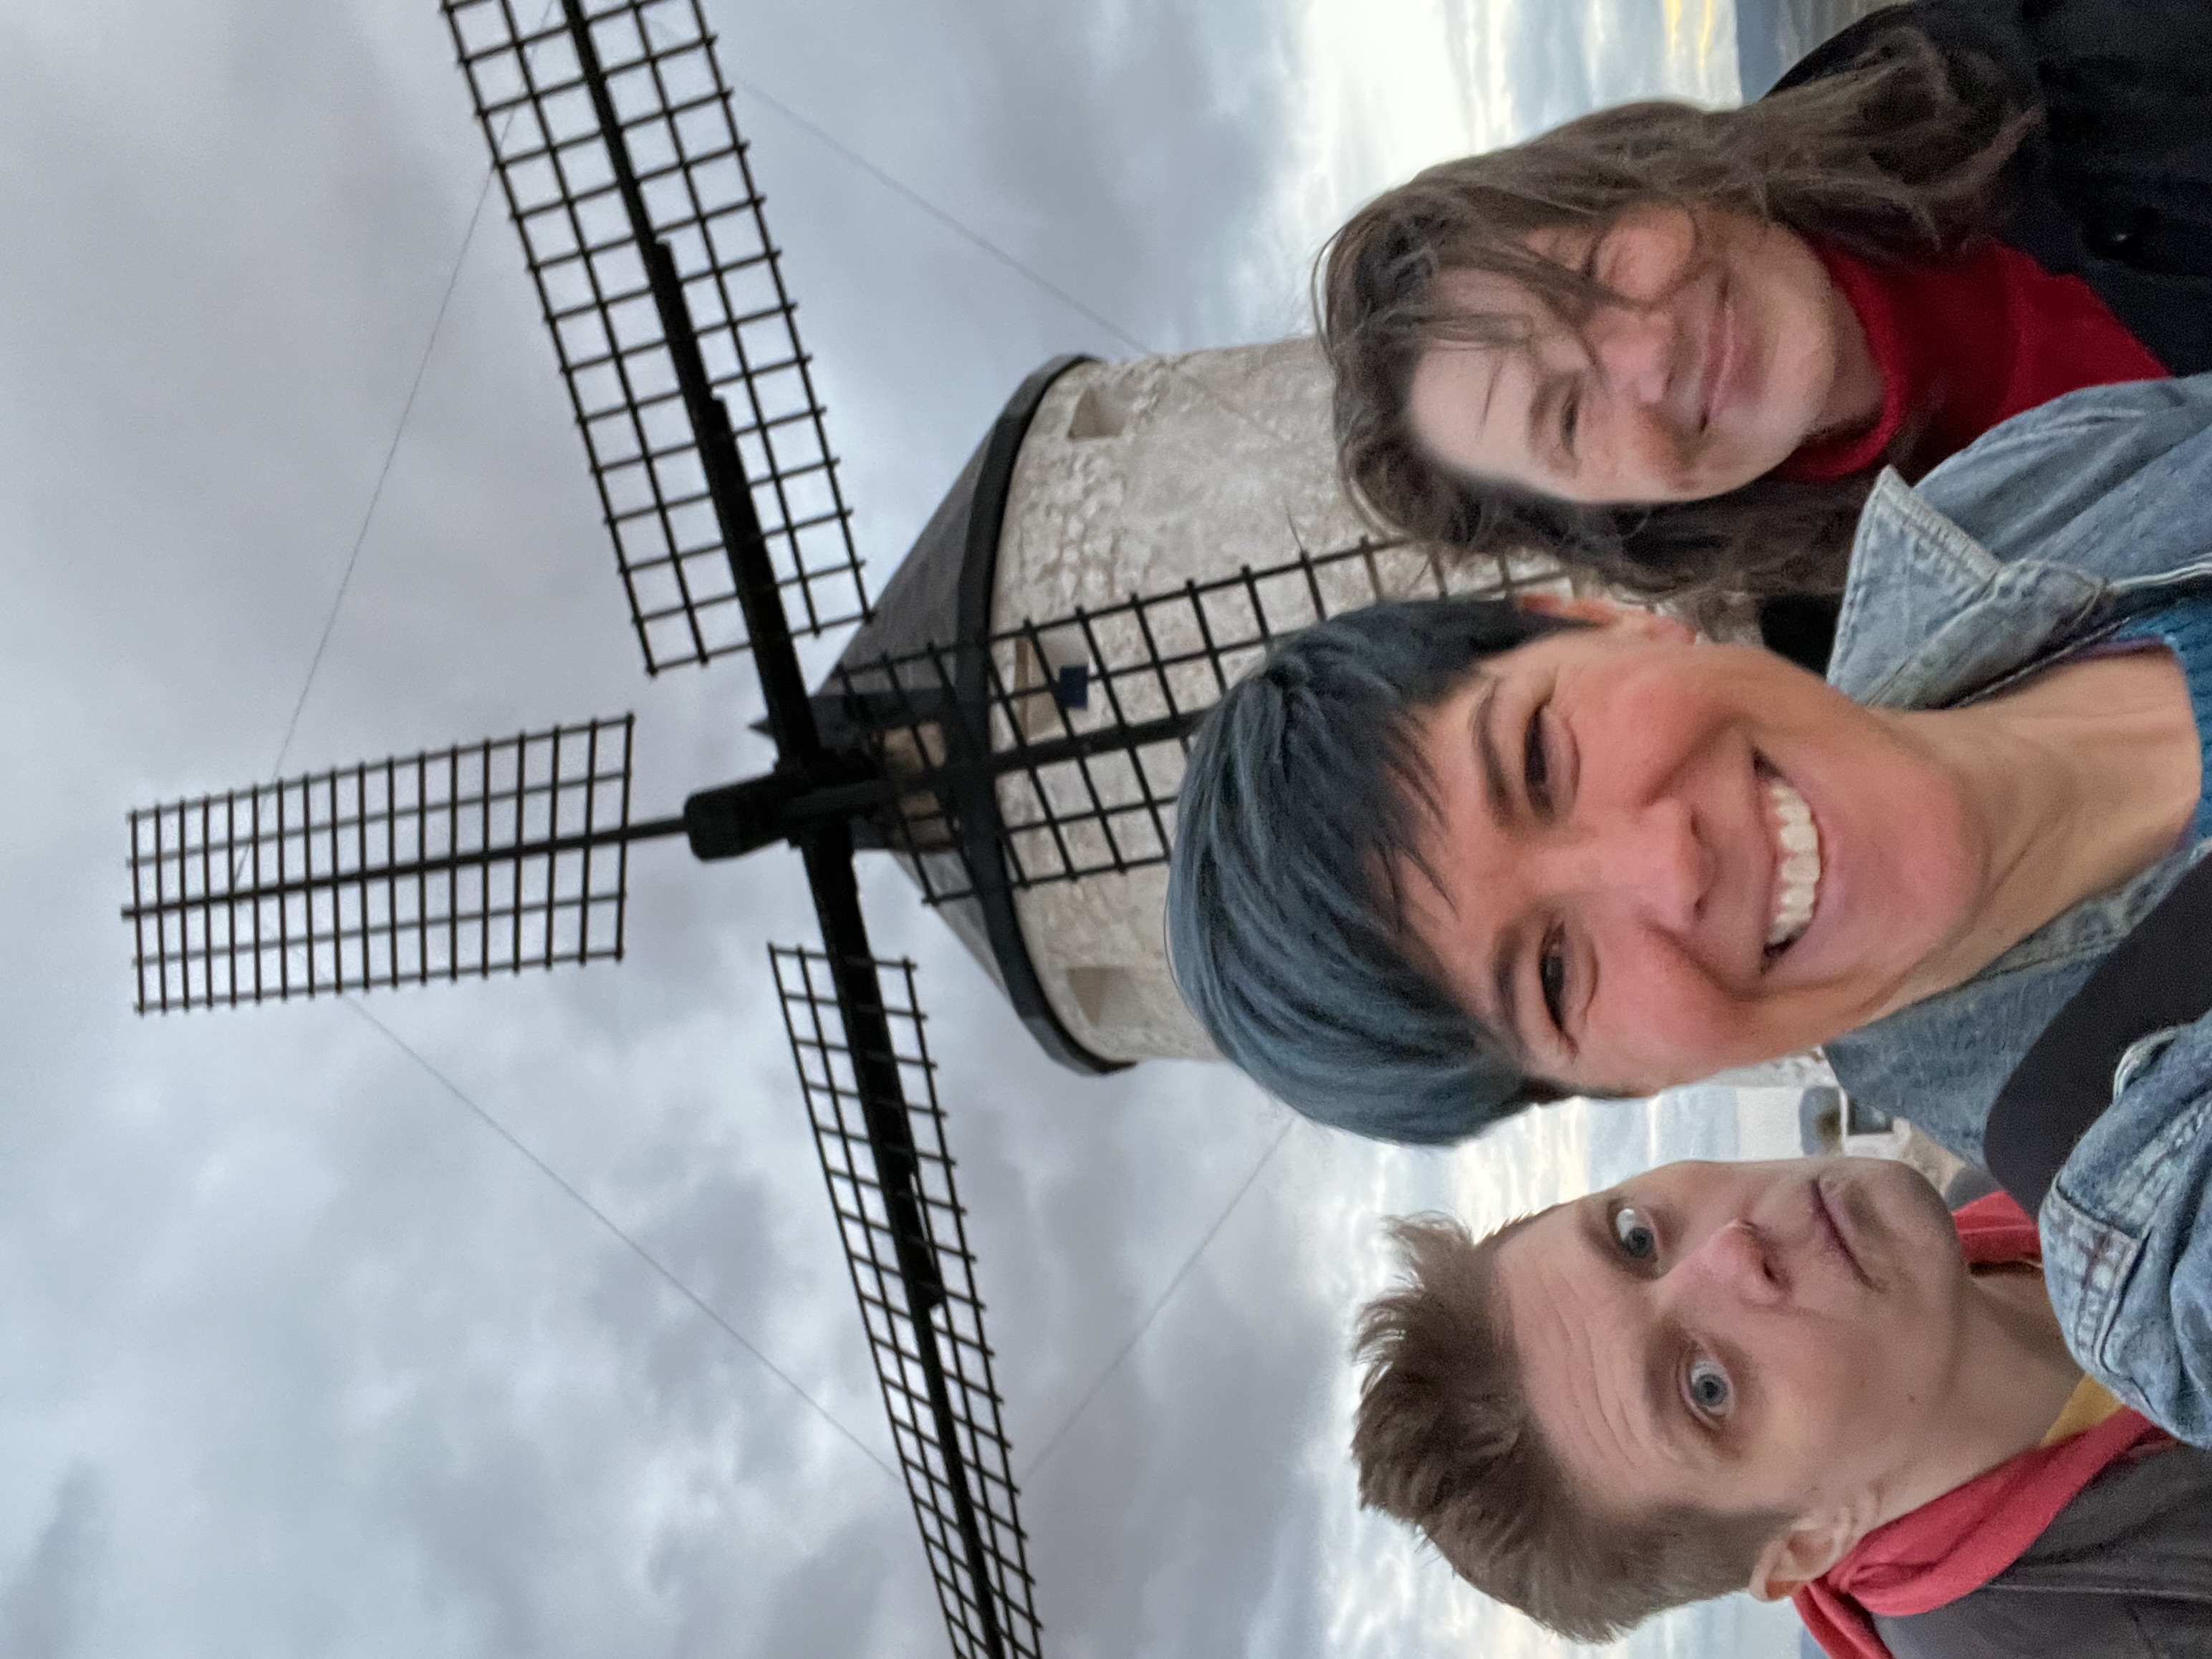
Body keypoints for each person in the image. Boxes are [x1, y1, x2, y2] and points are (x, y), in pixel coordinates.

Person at [1320, 1, 2212, 666]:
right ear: (1616, 519)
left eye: (1594, 271)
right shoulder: (1907, 676)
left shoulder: (2078, 68)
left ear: (1654, 179)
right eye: (1567, 418)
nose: (1644, 353)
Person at [1352, 1156, 2212, 1657]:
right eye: (1705, 1389)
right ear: (1807, 1543)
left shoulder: (2023, 1157)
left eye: (1635, 1238)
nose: (1731, 1251)